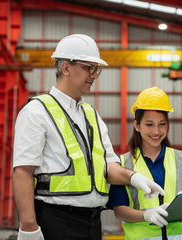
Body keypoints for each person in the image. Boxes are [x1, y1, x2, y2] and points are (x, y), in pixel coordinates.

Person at [12, 34, 164, 240]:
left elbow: (109, 166)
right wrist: (28, 227)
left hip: (92, 223)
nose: (94, 75)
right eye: (88, 68)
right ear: (66, 68)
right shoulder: (36, 112)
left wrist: (133, 178)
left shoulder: (91, 115)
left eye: (96, 69)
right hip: (55, 221)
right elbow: (23, 171)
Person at [106, 86, 182, 240]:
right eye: (149, 124)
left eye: (162, 124)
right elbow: (119, 210)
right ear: (137, 125)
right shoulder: (123, 164)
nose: (156, 131)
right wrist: (146, 215)